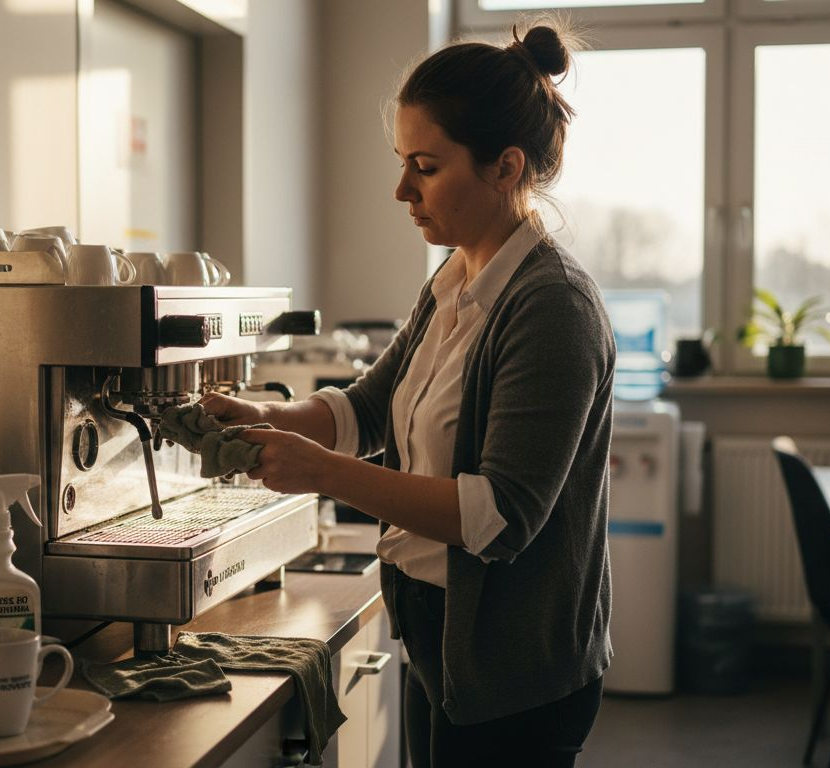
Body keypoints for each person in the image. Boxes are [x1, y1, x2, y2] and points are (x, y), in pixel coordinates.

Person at [202, 19, 613, 767]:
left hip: (515, 671)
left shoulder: (553, 308)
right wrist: (266, 414)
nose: (401, 190)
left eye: (424, 166)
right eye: (402, 162)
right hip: (441, 635)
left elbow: (498, 518)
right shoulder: (455, 279)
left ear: (504, 166)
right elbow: (365, 408)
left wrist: (319, 474)